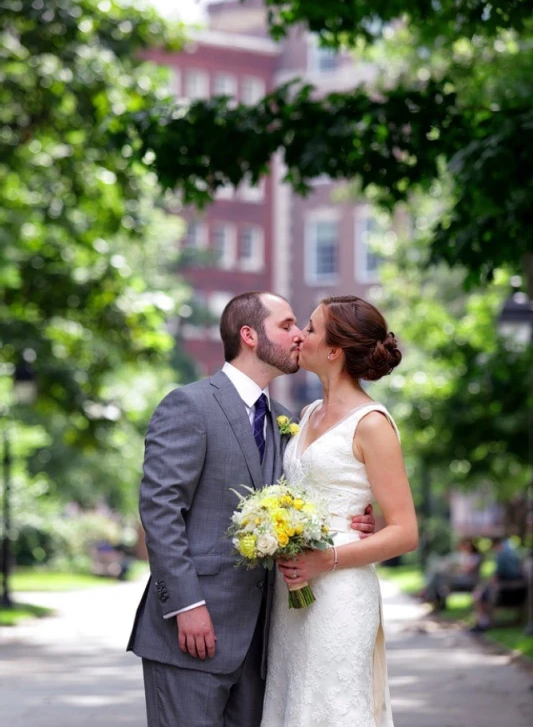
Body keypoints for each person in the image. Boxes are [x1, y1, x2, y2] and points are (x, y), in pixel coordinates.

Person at [127, 292, 376, 727]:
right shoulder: (190, 404)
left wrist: (354, 518)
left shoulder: (288, 422)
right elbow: (160, 509)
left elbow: (307, 495)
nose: (299, 335)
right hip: (191, 633)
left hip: (264, 643)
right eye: (287, 325)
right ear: (249, 335)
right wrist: (185, 605)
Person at [261, 295, 418, 727]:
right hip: (291, 593)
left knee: (330, 707)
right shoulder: (308, 413)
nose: (300, 336)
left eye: (309, 328)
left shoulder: (371, 423)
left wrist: (325, 559)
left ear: (334, 350)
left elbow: (405, 531)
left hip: (340, 595)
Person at [470, 537, 525, 632]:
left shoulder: (502, 555)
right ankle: (483, 622)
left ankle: (483, 623)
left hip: (506, 592)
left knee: (478, 595)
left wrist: (488, 583)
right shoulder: (512, 553)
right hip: (515, 591)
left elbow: (498, 576)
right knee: (481, 594)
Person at [420, 538, 482, 609]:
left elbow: (467, 570)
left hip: (467, 580)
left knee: (439, 578)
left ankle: (427, 596)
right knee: (439, 578)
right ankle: (432, 599)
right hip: (460, 578)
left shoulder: (475, 557)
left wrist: (457, 568)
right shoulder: (464, 555)